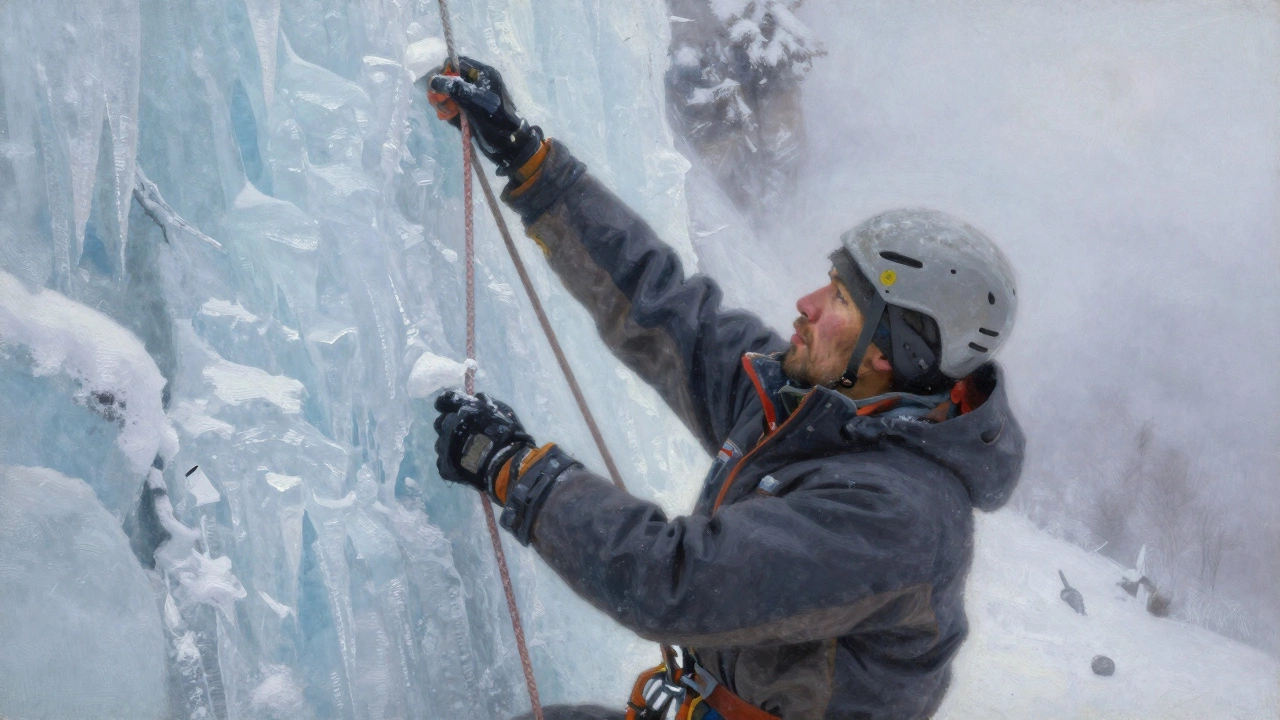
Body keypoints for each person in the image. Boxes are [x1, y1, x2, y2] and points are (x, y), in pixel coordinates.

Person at [426, 57, 1025, 720]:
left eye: (838, 300)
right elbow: (665, 311)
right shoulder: (813, 409)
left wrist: (519, 470)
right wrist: (528, 161)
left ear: (887, 351)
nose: (805, 304)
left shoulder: (899, 517)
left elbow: (674, 584)